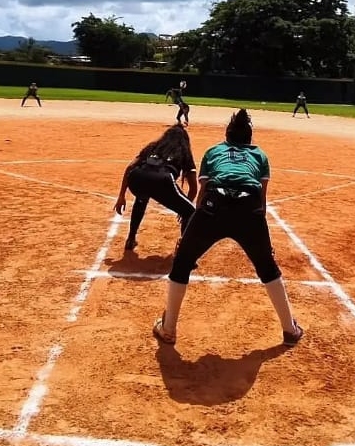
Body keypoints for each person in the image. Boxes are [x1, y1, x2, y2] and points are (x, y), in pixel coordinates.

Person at [151, 109, 305, 347]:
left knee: (182, 261)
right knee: (267, 267)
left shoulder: (214, 151)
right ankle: (289, 330)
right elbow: (261, 201)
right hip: (249, 207)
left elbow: (201, 196)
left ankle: (168, 329)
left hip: (215, 204)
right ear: (249, 138)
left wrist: (191, 232)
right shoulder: (260, 155)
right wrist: (261, 240)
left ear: (227, 135)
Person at [114, 124, 198, 251]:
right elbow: (193, 187)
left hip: (137, 178)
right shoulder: (183, 151)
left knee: (142, 197)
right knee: (191, 212)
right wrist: (184, 208)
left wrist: (121, 196)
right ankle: (184, 249)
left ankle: (131, 239)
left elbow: (130, 167)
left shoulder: (153, 146)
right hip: (162, 180)